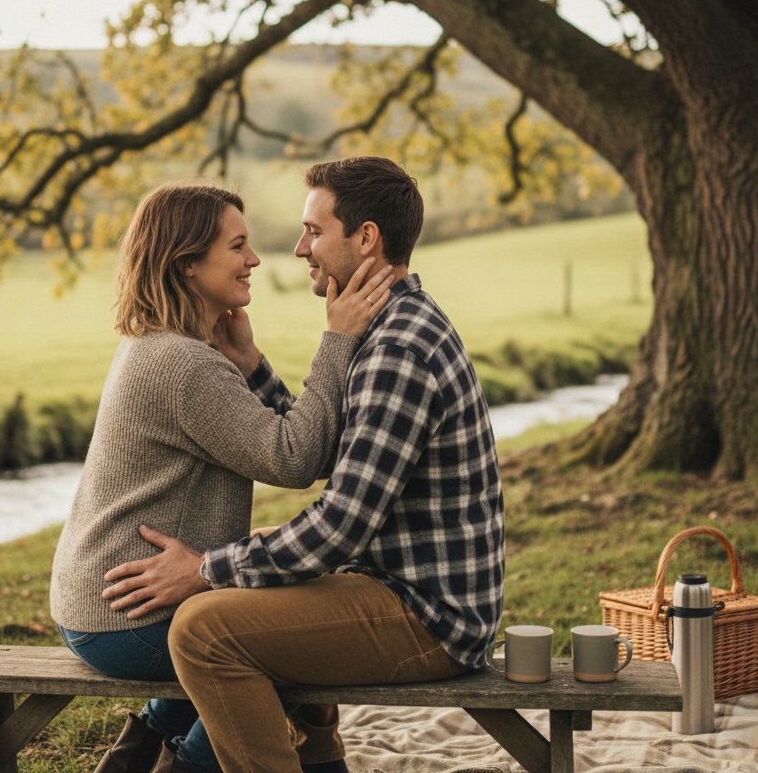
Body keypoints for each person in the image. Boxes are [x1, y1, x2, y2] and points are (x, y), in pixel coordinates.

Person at [103, 157, 506, 773]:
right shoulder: (386, 328)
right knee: (264, 570)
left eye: (315, 232)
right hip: (395, 586)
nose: (298, 249)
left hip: (427, 617)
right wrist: (255, 369)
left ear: (366, 238)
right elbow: (330, 454)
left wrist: (206, 569)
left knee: (203, 630)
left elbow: (339, 525)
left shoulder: (397, 347)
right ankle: (320, 761)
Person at [49, 182, 394, 773]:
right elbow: (294, 459)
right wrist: (338, 341)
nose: (255, 260)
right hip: (127, 618)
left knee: (260, 625)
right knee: (282, 651)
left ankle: (136, 752)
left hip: (100, 606)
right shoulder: (185, 366)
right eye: (238, 246)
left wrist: (252, 366)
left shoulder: (164, 348)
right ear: (187, 264)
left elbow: (290, 447)